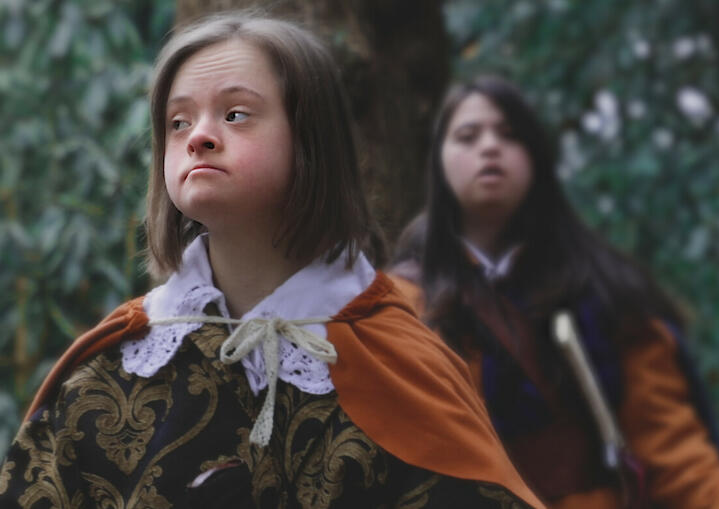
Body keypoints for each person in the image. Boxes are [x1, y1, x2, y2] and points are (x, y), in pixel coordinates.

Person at [0, 14, 544, 509]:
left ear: (310, 141)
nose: (200, 138)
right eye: (178, 122)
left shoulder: (398, 360)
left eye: (236, 115)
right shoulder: (114, 365)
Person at [388, 75, 719, 509]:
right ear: (438, 162)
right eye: (467, 136)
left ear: (536, 157)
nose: (489, 147)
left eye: (510, 135)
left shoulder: (607, 291)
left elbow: (680, 459)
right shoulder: (397, 305)